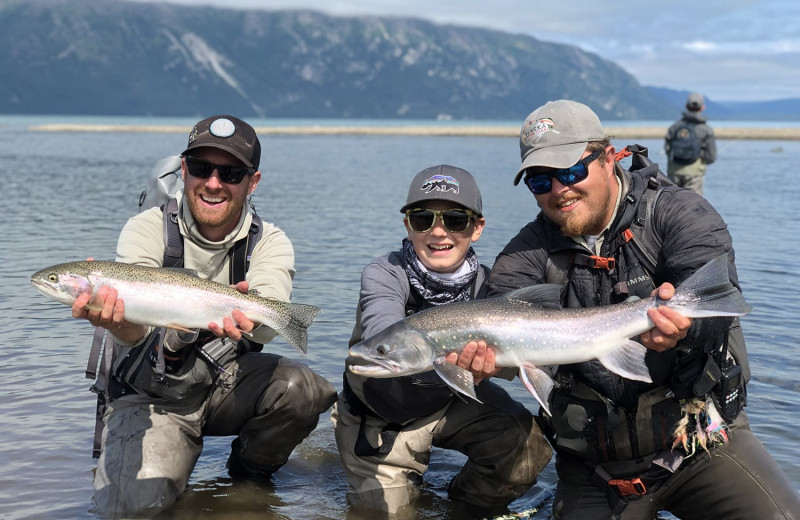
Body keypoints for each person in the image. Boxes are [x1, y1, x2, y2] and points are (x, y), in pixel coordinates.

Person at [486, 99, 800, 519]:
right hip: (595, 468)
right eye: (540, 181)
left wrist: (685, 329)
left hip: (701, 442)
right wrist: (487, 363)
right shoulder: (526, 252)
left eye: (571, 171)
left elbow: (722, 304)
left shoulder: (680, 213)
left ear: (609, 156)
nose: (559, 190)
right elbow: (496, 313)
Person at [71, 115, 337, 518]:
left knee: (304, 389)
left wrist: (254, 318)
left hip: (223, 386)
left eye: (230, 172)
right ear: (184, 170)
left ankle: (248, 482)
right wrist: (117, 323)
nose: (213, 183)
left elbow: (269, 315)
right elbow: (135, 328)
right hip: (149, 396)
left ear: (253, 181)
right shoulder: (146, 229)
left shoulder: (271, 242)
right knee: (130, 511)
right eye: (200, 168)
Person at [331, 165, 552, 515]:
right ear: (408, 225)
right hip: (380, 418)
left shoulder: (491, 287)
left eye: (454, 219)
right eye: (422, 219)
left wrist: (486, 371)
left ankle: (461, 507)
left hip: (451, 401)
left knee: (527, 447)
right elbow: (380, 329)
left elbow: (515, 361)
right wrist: (389, 347)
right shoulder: (384, 273)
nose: (438, 231)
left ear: (477, 228)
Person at [664, 92, 716, 195]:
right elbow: (711, 157)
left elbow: (667, 149)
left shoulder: (674, 127)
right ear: (702, 107)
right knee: (692, 207)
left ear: (686, 106)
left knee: (672, 205)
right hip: (695, 174)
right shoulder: (706, 129)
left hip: (674, 172)